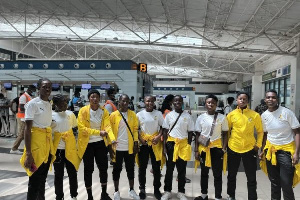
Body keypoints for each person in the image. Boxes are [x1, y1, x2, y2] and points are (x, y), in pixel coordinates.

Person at [260, 89, 300, 200]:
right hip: (271, 152)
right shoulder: (264, 116)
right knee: (274, 182)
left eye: (273, 97)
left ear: (277, 99)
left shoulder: (287, 112)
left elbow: (297, 132)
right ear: (265, 100)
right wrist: (263, 149)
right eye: (268, 97)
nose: (270, 99)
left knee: (286, 183)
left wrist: (296, 153)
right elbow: (265, 134)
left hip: (286, 152)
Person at [20, 78, 55, 200]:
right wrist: (28, 153)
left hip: (46, 146)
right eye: (44, 87)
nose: (47, 89)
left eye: (49, 87)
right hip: (36, 147)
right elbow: (27, 129)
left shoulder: (49, 104)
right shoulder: (32, 104)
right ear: (39, 88)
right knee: (34, 181)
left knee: (42, 180)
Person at [77, 89, 116, 200]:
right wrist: (98, 132)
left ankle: (104, 193)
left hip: (100, 144)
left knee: (103, 168)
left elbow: (108, 126)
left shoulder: (104, 111)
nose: (94, 99)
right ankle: (89, 195)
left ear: (100, 98)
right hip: (87, 144)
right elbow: (81, 128)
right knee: (88, 169)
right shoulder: (83, 111)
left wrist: (112, 139)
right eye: (92, 97)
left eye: (96, 97)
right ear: (89, 98)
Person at [226, 91, 264, 200]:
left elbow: (260, 131)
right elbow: (226, 131)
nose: (242, 101)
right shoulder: (231, 114)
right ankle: (231, 196)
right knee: (231, 175)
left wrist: (258, 145)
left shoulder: (254, 115)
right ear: (237, 100)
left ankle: (252, 197)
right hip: (233, 148)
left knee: (251, 177)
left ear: (248, 101)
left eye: (245, 99)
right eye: (240, 99)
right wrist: (227, 145)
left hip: (250, 149)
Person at [194, 94, 228, 200]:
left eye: (213, 102)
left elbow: (226, 133)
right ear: (205, 104)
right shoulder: (200, 118)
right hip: (204, 149)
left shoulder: (222, 118)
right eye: (208, 102)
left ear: (216, 104)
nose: (210, 104)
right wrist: (196, 150)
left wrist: (223, 148)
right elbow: (197, 135)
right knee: (204, 173)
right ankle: (204, 195)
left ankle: (218, 196)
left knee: (217, 174)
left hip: (217, 149)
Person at [161, 95, 195, 200]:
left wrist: (188, 146)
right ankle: (167, 191)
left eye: (179, 101)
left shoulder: (187, 116)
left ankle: (181, 192)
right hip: (171, 144)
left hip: (183, 145)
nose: (177, 103)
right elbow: (165, 131)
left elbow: (190, 132)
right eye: (175, 101)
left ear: (182, 103)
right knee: (169, 169)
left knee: (182, 170)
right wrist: (164, 146)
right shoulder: (169, 115)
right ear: (172, 103)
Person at [110, 94, 140, 200]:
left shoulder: (132, 115)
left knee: (130, 169)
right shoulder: (113, 115)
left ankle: (131, 190)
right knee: (116, 170)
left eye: (127, 101)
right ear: (119, 102)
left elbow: (135, 130)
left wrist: (136, 142)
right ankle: (116, 191)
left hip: (129, 148)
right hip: (117, 148)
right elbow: (109, 130)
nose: (125, 103)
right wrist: (110, 146)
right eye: (123, 101)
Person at [51, 94, 80, 200]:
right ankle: (59, 196)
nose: (65, 104)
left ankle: (74, 195)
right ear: (55, 104)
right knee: (58, 174)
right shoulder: (51, 115)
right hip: (58, 150)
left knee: (72, 172)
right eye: (62, 102)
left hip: (70, 149)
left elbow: (75, 129)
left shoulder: (70, 114)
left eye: (66, 102)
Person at [137, 96, 164, 199]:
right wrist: (140, 139)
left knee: (156, 168)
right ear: (144, 102)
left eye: (152, 101)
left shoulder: (158, 114)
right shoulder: (139, 114)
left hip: (155, 143)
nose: (150, 103)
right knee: (142, 167)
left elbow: (163, 127)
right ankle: (142, 189)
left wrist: (158, 136)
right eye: (148, 101)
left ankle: (156, 189)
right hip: (143, 143)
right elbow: (136, 129)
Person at [11, 86, 36, 154]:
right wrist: (32, 110)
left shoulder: (29, 96)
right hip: (23, 118)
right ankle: (14, 148)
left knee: (25, 133)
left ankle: (27, 148)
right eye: (33, 90)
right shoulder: (23, 96)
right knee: (22, 134)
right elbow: (22, 107)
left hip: (27, 117)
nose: (34, 92)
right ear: (29, 90)